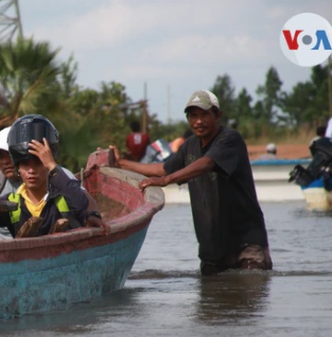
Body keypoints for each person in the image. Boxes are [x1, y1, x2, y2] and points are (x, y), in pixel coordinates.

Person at [109, 90, 272, 276]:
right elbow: (163, 168)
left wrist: (166, 180)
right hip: (212, 249)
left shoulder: (229, 139)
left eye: (204, 115)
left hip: (246, 243)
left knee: (248, 292)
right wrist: (120, 163)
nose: (199, 121)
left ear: (218, 115)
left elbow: (206, 163)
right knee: (211, 302)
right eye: (193, 116)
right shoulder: (189, 146)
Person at [0, 114, 91, 238]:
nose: (31, 171)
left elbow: (82, 204)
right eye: (25, 164)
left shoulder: (64, 194)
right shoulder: (10, 203)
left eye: (38, 163)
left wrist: (51, 165)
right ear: (17, 167)